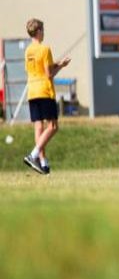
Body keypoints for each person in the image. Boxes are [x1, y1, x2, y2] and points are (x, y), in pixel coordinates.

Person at [22, 18, 70, 175]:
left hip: (32, 91)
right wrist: (61, 66)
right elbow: (49, 74)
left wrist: (57, 63)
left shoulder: (28, 51)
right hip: (44, 90)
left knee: (39, 127)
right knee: (53, 126)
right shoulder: (45, 48)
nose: (44, 32)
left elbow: (40, 67)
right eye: (43, 29)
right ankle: (33, 155)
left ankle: (43, 163)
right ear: (38, 31)